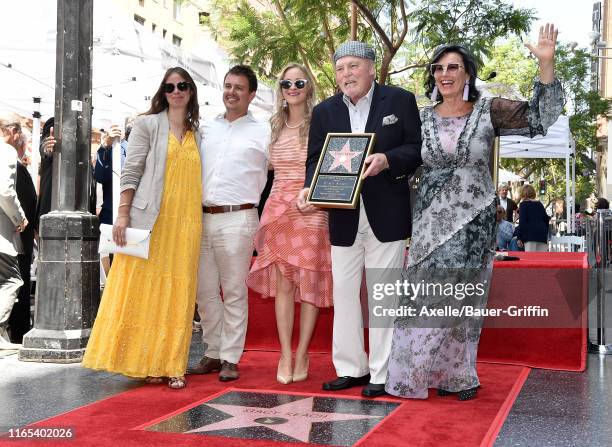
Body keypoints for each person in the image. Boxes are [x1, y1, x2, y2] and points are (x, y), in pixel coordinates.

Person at [386, 24, 564, 400]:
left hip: (473, 221)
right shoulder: (420, 117)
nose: (445, 74)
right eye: (438, 68)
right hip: (429, 221)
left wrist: (546, 66)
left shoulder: (490, 110)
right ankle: (409, 373)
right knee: (423, 293)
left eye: (453, 67)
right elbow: (394, 153)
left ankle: (457, 375)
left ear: (467, 73)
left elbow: (539, 118)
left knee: (463, 295)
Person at [297, 41, 423, 398]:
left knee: (383, 294)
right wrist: (310, 188)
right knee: (345, 294)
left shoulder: (399, 101)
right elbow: (314, 161)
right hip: (342, 216)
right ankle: (351, 368)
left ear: (371, 68)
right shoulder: (323, 112)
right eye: (340, 69)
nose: (346, 74)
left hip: (387, 211)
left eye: (353, 66)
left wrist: (387, 159)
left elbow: (416, 148)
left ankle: (382, 373)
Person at [82, 67, 202, 389]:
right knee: (144, 290)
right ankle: (146, 360)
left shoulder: (197, 132)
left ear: (191, 91)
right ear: (162, 92)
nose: (176, 91)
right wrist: (122, 215)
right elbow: (131, 171)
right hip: (152, 220)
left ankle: (172, 363)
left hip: (187, 224)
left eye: (183, 86)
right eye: (170, 86)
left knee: (178, 293)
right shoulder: (147, 125)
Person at [247, 64, 332, 384]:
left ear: (308, 86)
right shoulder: (273, 126)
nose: (292, 87)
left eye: (299, 82)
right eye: (286, 83)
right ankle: (285, 352)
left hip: (312, 210)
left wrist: (317, 197)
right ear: (280, 89)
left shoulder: (320, 123)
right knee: (284, 284)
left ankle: (303, 352)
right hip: (278, 211)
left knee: (309, 284)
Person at [188, 65, 270, 382]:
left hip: (240, 217)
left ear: (251, 94)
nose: (231, 92)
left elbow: (286, 166)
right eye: (227, 86)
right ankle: (213, 350)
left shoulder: (265, 132)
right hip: (201, 217)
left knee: (234, 291)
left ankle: (231, 358)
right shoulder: (205, 129)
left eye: (239, 87)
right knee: (205, 291)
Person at [0, 113, 28, 349]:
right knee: (11, 280)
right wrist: (19, 218)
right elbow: (5, 192)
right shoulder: (5, 151)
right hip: (1, 233)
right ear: (11, 131)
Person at [8, 124, 37, 343]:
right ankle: (15, 333)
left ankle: (17, 332)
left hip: (20, 237)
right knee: (14, 285)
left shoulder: (19, 165)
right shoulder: (8, 160)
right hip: (14, 236)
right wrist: (21, 220)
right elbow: (7, 193)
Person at [516, 184, 551, 252]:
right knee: (541, 259)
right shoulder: (539, 204)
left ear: (523, 194)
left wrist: (519, 238)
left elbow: (522, 222)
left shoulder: (523, 204)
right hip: (542, 234)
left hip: (530, 235)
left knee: (530, 259)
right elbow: (546, 219)